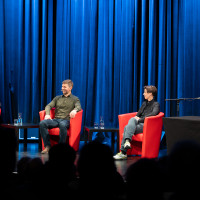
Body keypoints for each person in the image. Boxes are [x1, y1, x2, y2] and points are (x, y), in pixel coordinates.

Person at [113, 85, 160, 160]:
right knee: (131, 122)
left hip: (147, 125)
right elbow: (138, 114)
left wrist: (139, 119)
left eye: (145, 92)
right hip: (138, 124)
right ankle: (127, 143)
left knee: (127, 127)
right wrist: (137, 118)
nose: (143, 94)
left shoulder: (156, 104)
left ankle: (123, 152)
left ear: (150, 94)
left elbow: (153, 114)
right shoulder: (144, 103)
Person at [39, 79, 81, 154]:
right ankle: (47, 146)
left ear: (70, 87)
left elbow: (78, 107)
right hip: (56, 120)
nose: (62, 88)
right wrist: (48, 114)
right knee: (42, 123)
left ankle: (61, 148)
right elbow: (48, 106)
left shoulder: (75, 99)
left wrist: (75, 110)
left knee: (62, 125)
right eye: (62, 87)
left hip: (66, 120)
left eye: (64, 87)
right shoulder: (57, 98)